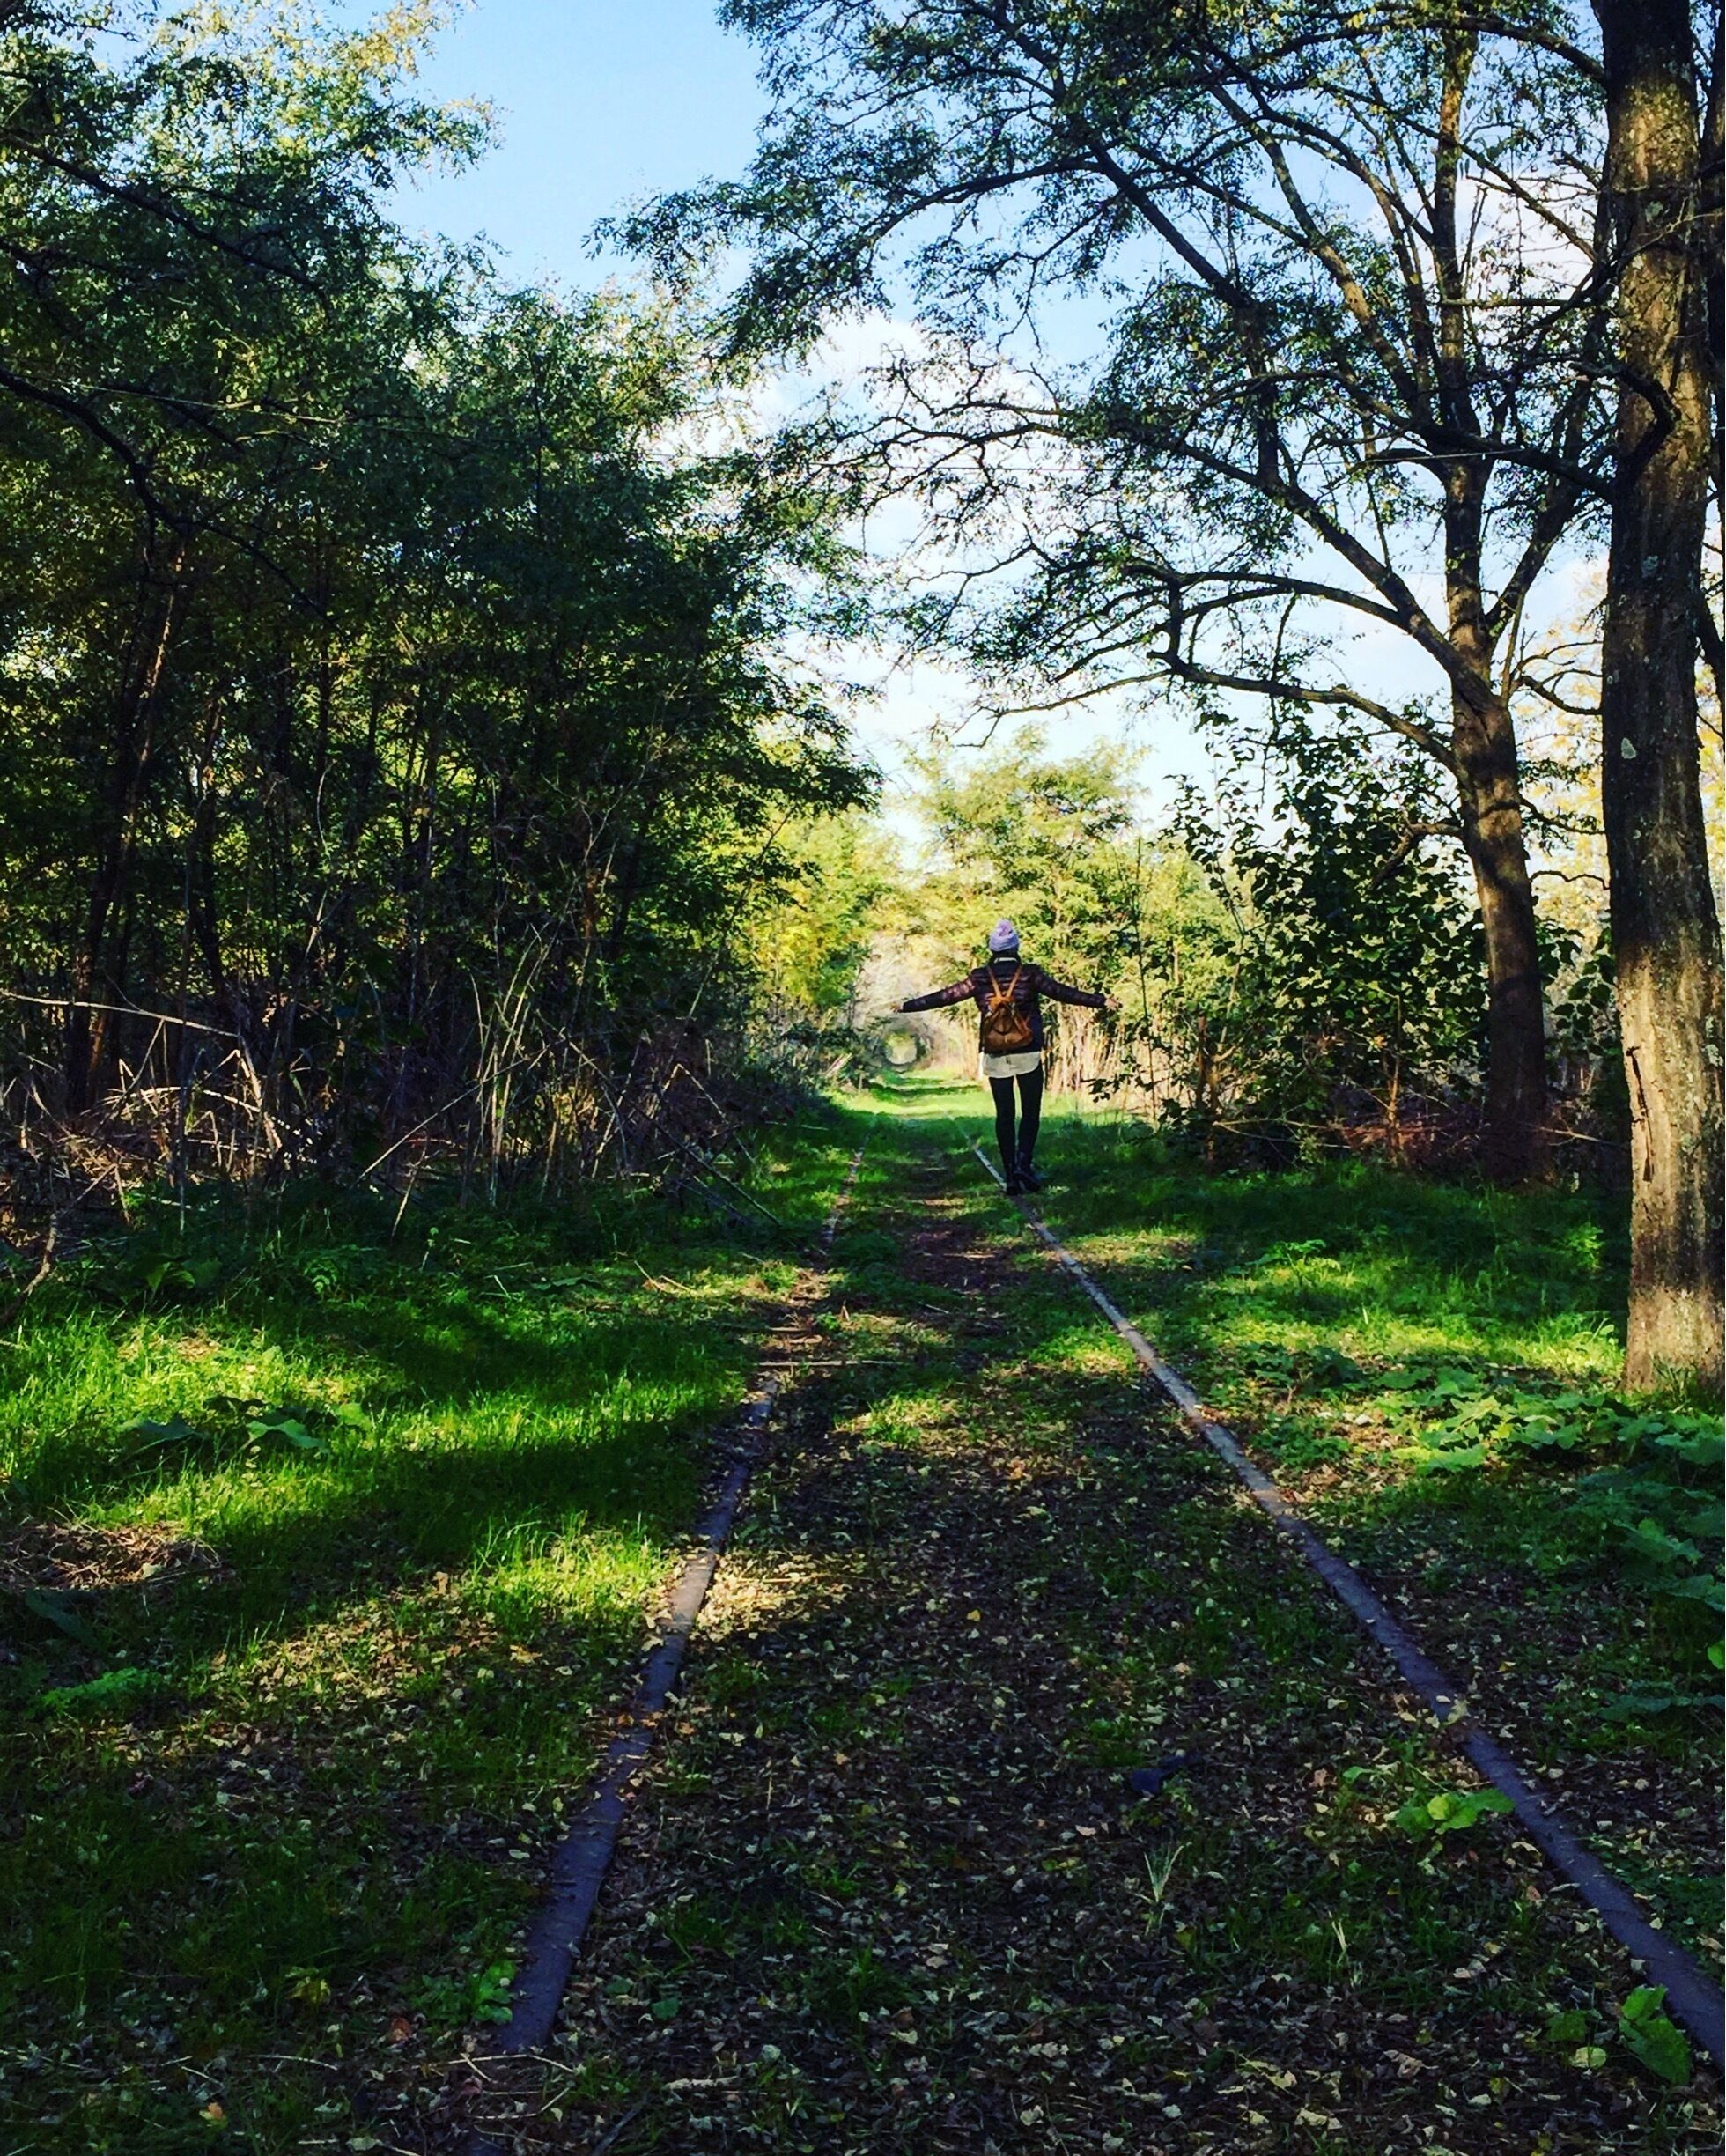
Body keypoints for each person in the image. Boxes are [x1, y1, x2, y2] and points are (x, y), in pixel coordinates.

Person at [899, 919, 1110, 1193]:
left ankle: (1010, 1176)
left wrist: (907, 1006)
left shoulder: (980, 977)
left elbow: (946, 996)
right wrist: (1101, 1000)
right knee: (1031, 1112)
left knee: (1005, 1114)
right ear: (1016, 945)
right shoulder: (1029, 974)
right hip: (1028, 1052)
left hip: (996, 1054)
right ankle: (1025, 1163)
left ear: (992, 948)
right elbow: (1062, 993)